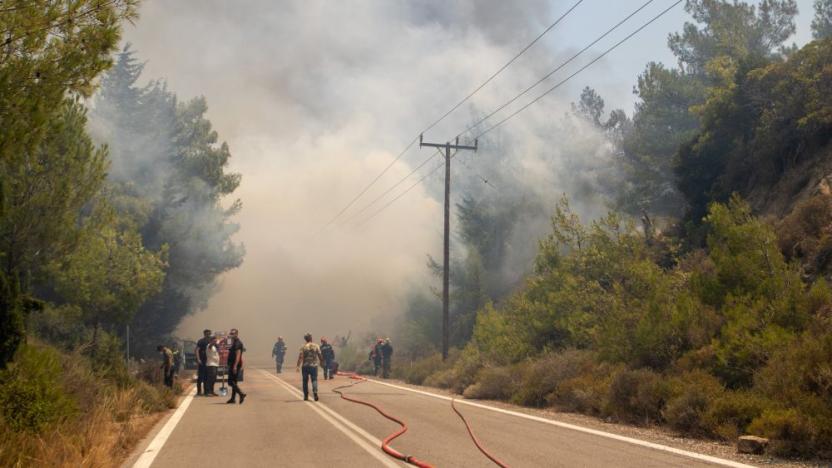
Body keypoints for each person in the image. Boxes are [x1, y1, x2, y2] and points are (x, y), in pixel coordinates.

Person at [296, 333, 323, 401]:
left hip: (305, 366)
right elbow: (320, 355)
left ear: (305, 339)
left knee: (305, 381)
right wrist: (322, 363)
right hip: (314, 366)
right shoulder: (316, 346)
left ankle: (306, 396)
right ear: (311, 338)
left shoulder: (303, 346)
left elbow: (300, 357)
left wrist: (298, 366)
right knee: (314, 380)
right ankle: (315, 392)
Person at [226, 328, 247, 404]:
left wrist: (235, 366)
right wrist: (228, 339)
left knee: (230, 382)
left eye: (233, 333)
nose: (231, 335)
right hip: (232, 363)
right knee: (234, 382)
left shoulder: (238, 343)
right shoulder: (232, 342)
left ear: (237, 334)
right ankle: (233, 399)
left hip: (235, 364)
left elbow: (238, 355)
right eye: (230, 333)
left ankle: (241, 394)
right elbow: (227, 347)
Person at [195, 329, 211, 396]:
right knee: (200, 377)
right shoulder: (201, 341)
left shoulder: (211, 341)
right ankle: (199, 391)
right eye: (207, 333)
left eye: (209, 333)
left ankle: (206, 391)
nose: (208, 334)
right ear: (204, 334)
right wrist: (198, 359)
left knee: (207, 377)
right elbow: (197, 350)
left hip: (209, 361)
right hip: (202, 361)